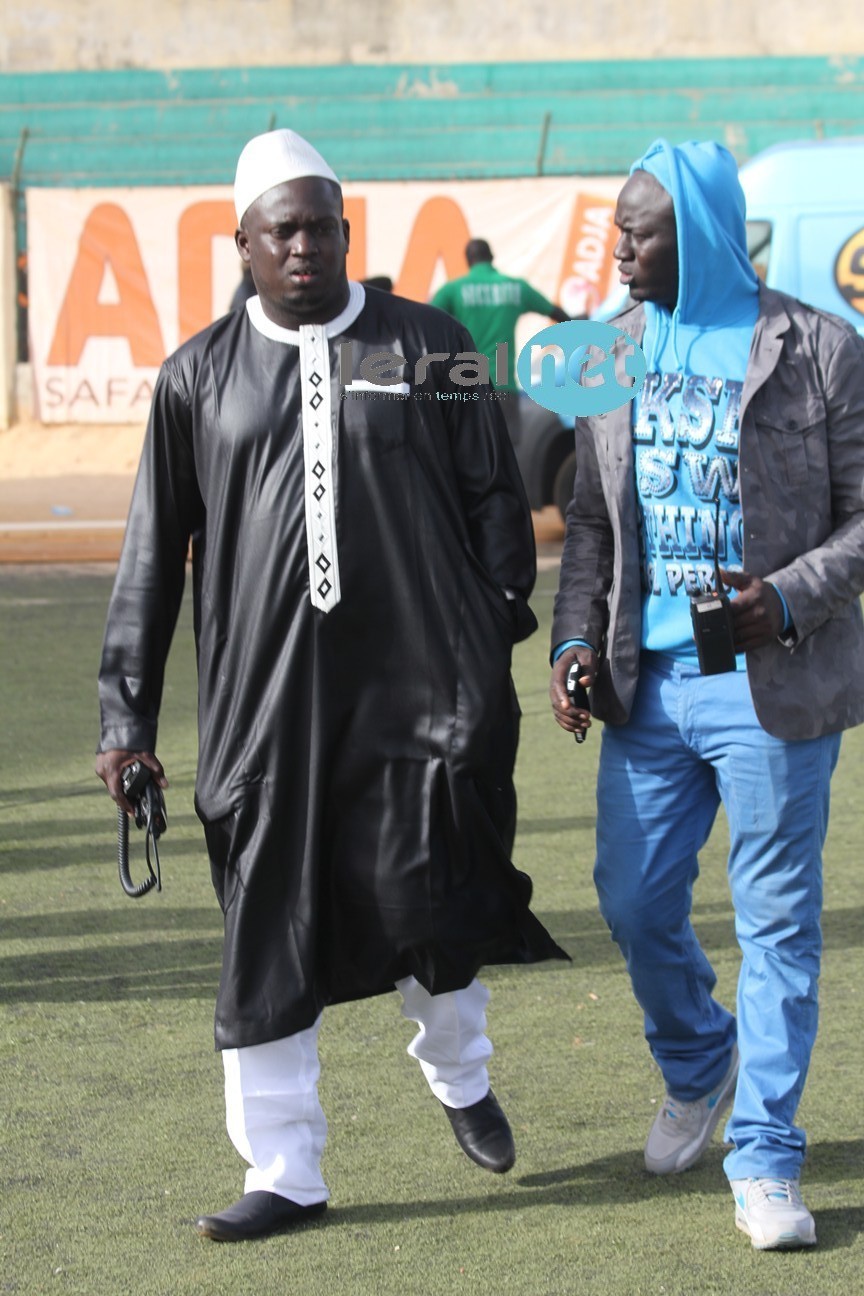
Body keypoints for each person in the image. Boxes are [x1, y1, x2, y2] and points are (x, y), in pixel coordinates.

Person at [96, 128, 566, 1243]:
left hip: (420, 699)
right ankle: (286, 1172)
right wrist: (127, 717)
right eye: (284, 230)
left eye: (324, 226)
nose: (306, 247)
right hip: (267, 714)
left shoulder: (433, 344)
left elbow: (499, 495)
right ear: (244, 244)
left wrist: (493, 623)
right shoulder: (194, 378)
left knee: (432, 894)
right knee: (267, 922)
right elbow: (152, 559)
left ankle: (461, 1076)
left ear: (347, 233)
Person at [549, 138, 864, 1251]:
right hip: (650, 688)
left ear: (704, 230)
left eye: (639, 229)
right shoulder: (606, 350)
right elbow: (589, 521)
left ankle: (767, 1159)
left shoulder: (820, 348)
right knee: (632, 901)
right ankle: (699, 1062)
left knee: (778, 926)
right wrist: (574, 642)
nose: (618, 248)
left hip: (770, 682)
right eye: (617, 229)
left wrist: (778, 602)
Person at [432, 239, 570, 442]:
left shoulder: (452, 290)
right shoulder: (515, 288)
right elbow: (556, 313)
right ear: (492, 257)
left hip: (467, 386)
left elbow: (426, 320)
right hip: (503, 385)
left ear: (468, 261)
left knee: (469, 451)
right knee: (509, 454)